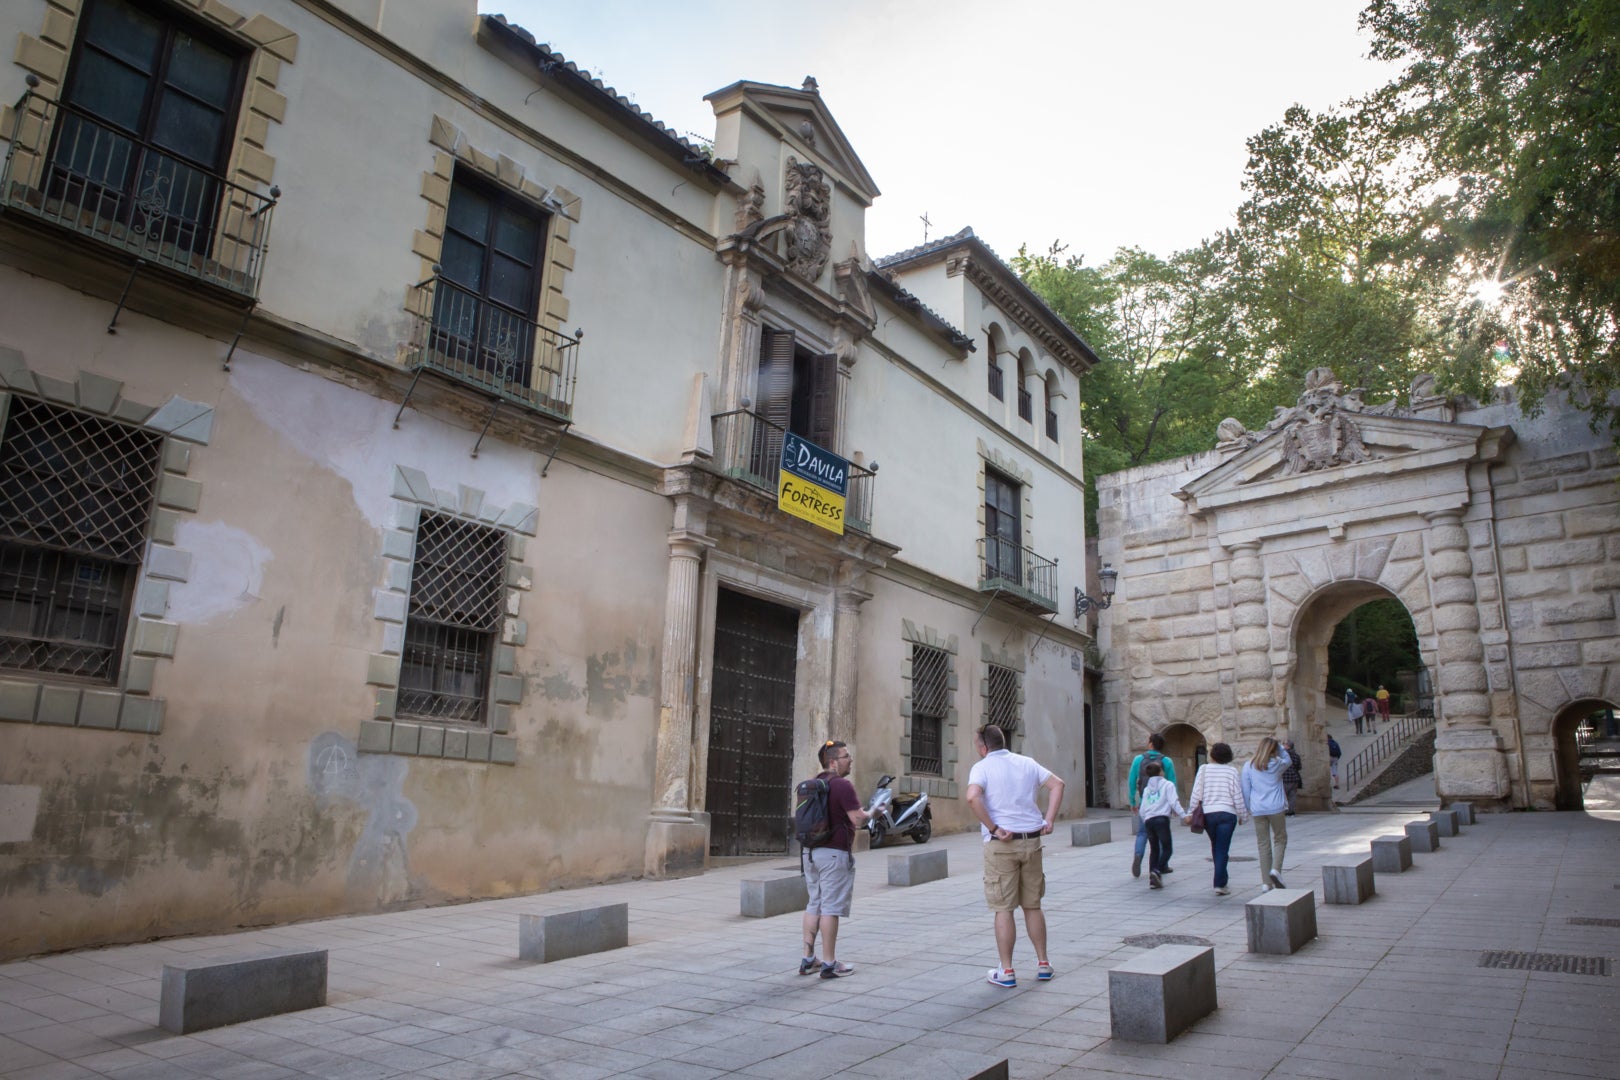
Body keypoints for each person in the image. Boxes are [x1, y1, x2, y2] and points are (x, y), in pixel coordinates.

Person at [966, 724, 1064, 989]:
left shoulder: (982, 767)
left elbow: (972, 798)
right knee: (1032, 905)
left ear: (983, 748)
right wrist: (1049, 820)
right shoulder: (1027, 763)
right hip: (1031, 841)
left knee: (1003, 908)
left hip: (1002, 843)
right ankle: (1043, 964)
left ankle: (1007, 970)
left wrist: (993, 827)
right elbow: (1057, 785)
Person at [799, 739, 870, 979]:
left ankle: (808, 959)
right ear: (832, 762)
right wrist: (873, 812)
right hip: (833, 853)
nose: (850, 760)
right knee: (830, 907)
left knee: (814, 903)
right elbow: (857, 819)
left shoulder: (813, 784)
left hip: (810, 853)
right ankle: (829, 963)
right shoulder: (842, 785)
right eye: (846, 756)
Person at [1187, 742, 1248, 895]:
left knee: (1216, 846)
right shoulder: (1232, 771)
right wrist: (1243, 814)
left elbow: (1196, 793)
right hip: (1227, 813)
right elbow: (1237, 794)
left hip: (1209, 813)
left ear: (1212, 755)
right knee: (1222, 848)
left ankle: (1221, 880)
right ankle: (1220, 883)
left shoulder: (1203, 769)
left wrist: (1190, 812)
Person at [1241, 736, 1291, 890]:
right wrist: (1279, 747)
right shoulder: (1278, 764)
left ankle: (1266, 883)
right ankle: (1276, 869)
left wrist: (1248, 808)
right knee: (1280, 839)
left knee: (1263, 844)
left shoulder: (1248, 765)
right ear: (1274, 750)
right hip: (1276, 807)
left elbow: (1245, 789)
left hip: (1258, 808)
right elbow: (1288, 759)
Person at [1125, 733, 1176, 878]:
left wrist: (1132, 801)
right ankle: (1161, 865)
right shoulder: (1167, 761)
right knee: (1161, 835)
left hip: (1145, 802)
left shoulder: (1138, 759)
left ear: (1151, 744)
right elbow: (1172, 782)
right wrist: (1173, 805)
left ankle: (1138, 854)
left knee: (1142, 833)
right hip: (1162, 806)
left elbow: (1131, 781)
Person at [1136, 761, 1185, 889]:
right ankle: (1156, 870)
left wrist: (1145, 819)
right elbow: (1174, 802)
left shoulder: (1147, 789)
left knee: (1154, 849)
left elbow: (1142, 808)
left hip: (1149, 820)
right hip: (1161, 819)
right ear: (1161, 772)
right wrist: (1184, 815)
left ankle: (1153, 880)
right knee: (1167, 848)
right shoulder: (1168, 785)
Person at [1280, 740, 1302, 816]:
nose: (1283, 745)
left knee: (1283, 795)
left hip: (1285, 778)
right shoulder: (1296, 756)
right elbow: (1299, 767)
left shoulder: (1282, 756)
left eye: (1284, 744)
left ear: (1288, 746)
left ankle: (1284, 810)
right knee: (1292, 795)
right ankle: (1291, 811)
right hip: (1294, 778)